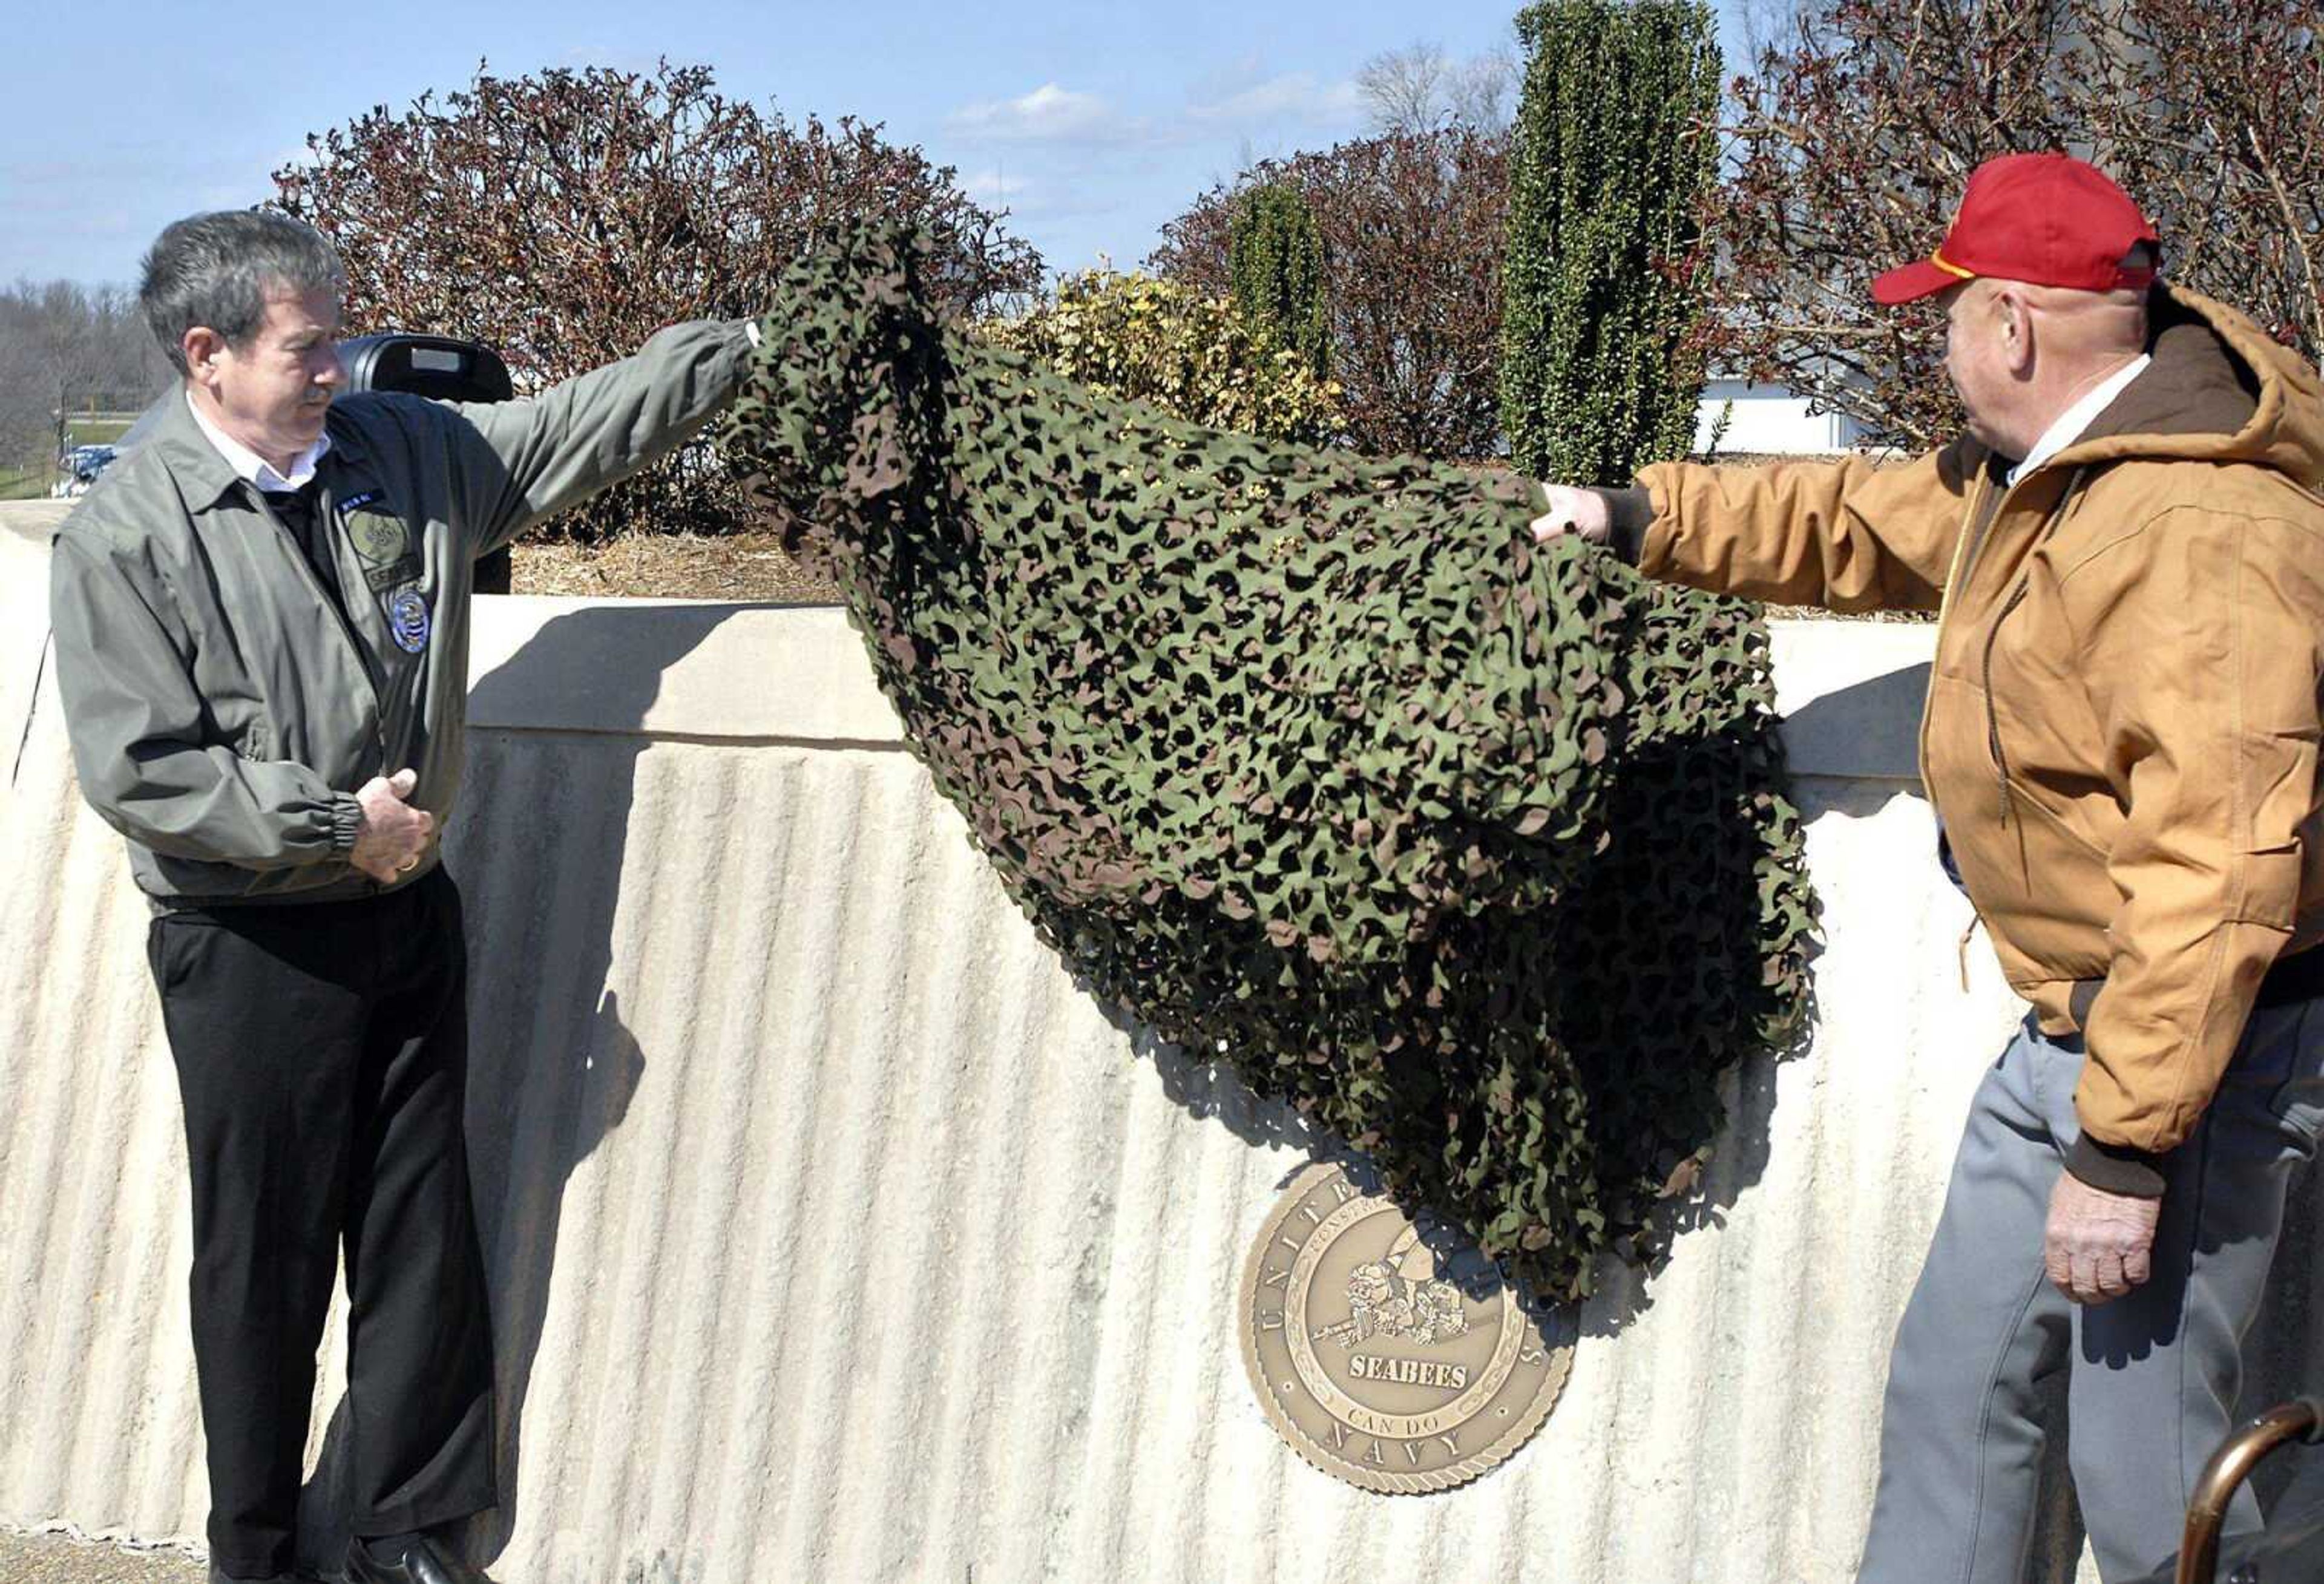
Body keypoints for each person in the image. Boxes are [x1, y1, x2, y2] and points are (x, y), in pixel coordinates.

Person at [1535, 152, 2324, 1582]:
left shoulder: (2201, 528)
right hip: (2073, 1037)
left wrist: (2129, 1150)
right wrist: (1632, 516)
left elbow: (2222, 871)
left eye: (1947, 313)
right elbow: (1850, 519)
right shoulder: (2038, 481)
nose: (1937, 340)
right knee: (1960, 1399)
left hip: (2205, 1059)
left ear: (2012, 328)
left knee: (2156, 1489)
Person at [47, 210, 760, 1584]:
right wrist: (336, 826)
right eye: (309, 348)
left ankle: (406, 1529)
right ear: (209, 355)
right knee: (263, 1267)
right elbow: (142, 769)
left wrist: (739, 351)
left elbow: (575, 431)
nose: (337, 368)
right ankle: (254, 1550)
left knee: (421, 1233)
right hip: (252, 946)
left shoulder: (403, 455)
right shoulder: (130, 534)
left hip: (406, 915)